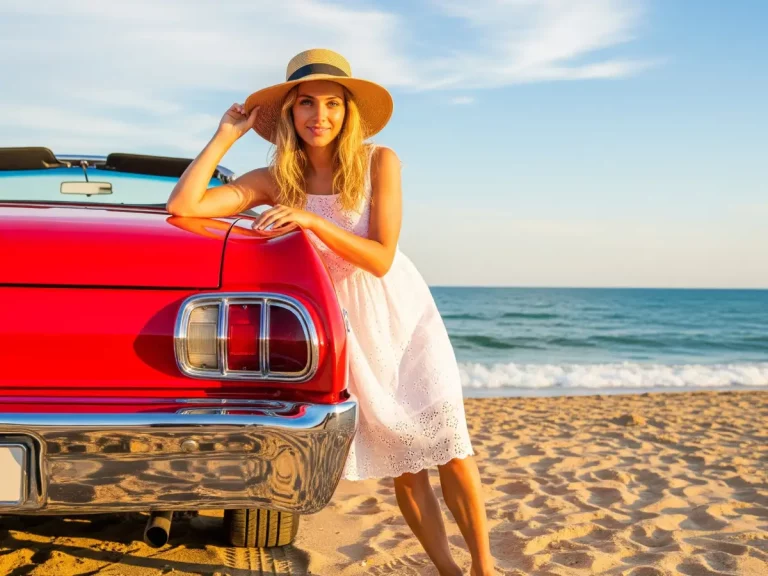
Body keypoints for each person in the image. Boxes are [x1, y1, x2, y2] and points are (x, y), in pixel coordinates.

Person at [167, 48, 495, 576]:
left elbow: (381, 257)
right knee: (406, 463)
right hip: (344, 326)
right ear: (290, 113)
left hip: (403, 315)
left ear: (348, 112)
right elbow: (183, 206)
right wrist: (225, 136)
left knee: (450, 445)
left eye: (332, 103)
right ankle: (449, 572)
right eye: (306, 103)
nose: (319, 115)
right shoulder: (274, 179)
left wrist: (312, 221)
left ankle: (484, 568)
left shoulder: (378, 161)